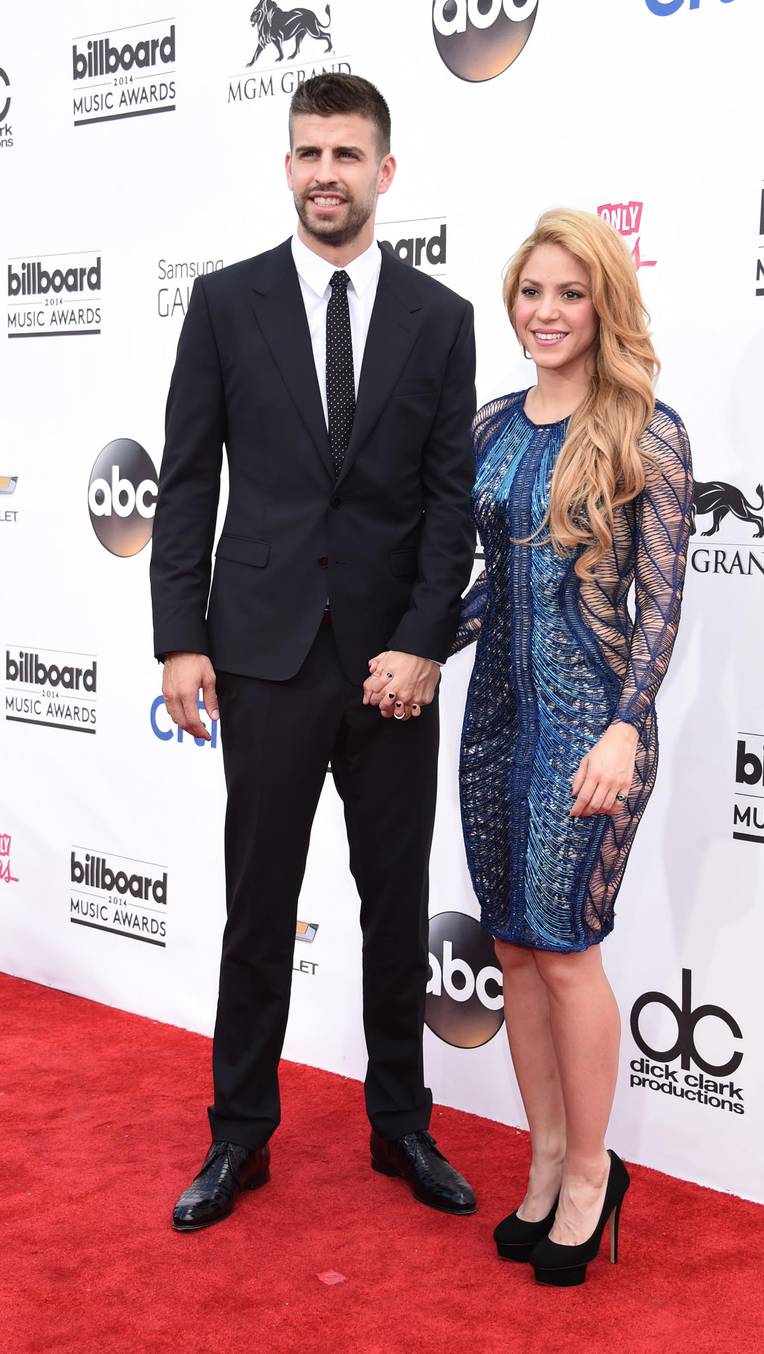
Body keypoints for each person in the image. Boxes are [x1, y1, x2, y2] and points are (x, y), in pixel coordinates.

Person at [150, 73, 478, 1231]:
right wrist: (179, 639)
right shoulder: (226, 303)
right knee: (258, 903)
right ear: (286, 167)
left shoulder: (439, 319)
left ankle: (400, 1124)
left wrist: (422, 642)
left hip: (392, 670)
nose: (325, 173)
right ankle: (239, 1134)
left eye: (347, 154)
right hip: (265, 657)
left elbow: (451, 506)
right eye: (307, 153)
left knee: (395, 905)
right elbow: (187, 480)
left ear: (385, 172)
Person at [448, 208, 693, 1285]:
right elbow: (484, 588)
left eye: (568, 293)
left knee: (565, 947)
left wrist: (625, 726)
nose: (545, 312)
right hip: (494, 720)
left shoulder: (644, 429)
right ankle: (543, 1157)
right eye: (530, 292)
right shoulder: (490, 426)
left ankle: (592, 1172)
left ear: (603, 305)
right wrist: (408, 649)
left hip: (591, 724)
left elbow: (660, 606)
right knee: (509, 946)